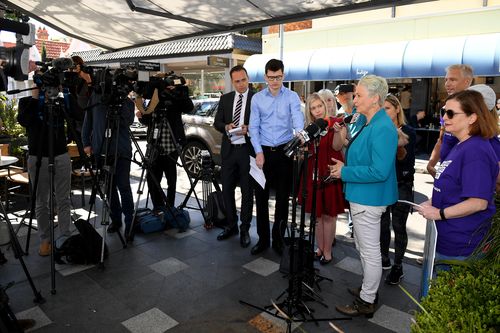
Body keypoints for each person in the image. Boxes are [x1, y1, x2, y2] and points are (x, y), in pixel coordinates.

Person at [329, 75, 397, 317]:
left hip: (369, 199)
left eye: (358, 95)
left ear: (375, 98)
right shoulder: (368, 121)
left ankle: (367, 299)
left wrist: (344, 171)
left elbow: (379, 171)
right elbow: (356, 150)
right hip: (361, 196)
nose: (353, 99)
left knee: (369, 251)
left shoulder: (382, 128)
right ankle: (369, 289)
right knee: (364, 247)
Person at [417, 90, 498, 270]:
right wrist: (432, 202)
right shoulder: (461, 144)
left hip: (461, 246)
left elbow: (478, 202)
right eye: (443, 112)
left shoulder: (476, 150)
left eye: (451, 113)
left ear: (472, 118)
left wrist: (439, 213)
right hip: (447, 239)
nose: (445, 117)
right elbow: (454, 187)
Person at [248, 58, 304, 255]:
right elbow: (253, 127)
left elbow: (297, 120)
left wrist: (300, 135)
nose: (274, 81)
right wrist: (258, 152)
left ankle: (278, 239)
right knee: (261, 199)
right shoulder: (257, 99)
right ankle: (263, 239)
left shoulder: (292, 97)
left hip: (284, 152)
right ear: (265, 77)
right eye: (271, 78)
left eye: (278, 77)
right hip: (262, 152)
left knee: (282, 199)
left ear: (283, 75)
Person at [18, 88, 72, 256]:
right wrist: (35, 98)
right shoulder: (27, 101)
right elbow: (24, 120)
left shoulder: (61, 101)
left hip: (61, 154)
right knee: (42, 201)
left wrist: (65, 93)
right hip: (38, 155)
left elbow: (77, 115)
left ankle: (65, 238)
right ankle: (45, 239)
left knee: (64, 199)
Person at [82, 80, 135, 238]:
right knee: (109, 189)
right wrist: (86, 143)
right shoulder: (96, 97)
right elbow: (88, 121)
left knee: (123, 186)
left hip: (121, 150)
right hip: (101, 149)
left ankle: (130, 221)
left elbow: (127, 121)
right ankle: (116, 219)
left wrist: (120, 100)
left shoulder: (126, 102)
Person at [298, 93, 346, 264]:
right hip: (312, 173)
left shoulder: (336, 122)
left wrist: (339, 133)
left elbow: (337, 146)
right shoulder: (309, 128)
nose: (317, 110)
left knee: (329, 215)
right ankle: (319, 247)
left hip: (331, 172)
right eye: (313, 108)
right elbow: (305, 153)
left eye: (320, 106)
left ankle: (327, 251)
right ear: (309, 111)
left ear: (325, 106)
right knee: (316, 216)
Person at [137, 75, 193, 210]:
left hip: (171, 146)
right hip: (154, 146)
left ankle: (170, 208)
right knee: (152, 180)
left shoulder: (176, 98)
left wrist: (177, 92)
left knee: (171, 180)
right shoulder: (155, 98)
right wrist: (140, 116)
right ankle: (158, 207)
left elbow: (188, 107)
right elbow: (147, 120)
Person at [213, 65, 254, 248]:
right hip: (229, 152)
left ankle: (244, 228)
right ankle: (231, 225)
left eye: (243, 80)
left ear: (248, 78)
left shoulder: (256, 99)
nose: (241, 84)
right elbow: (217, 123)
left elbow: (263, 123)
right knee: (227, 189)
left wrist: (249, 129)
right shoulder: (226, 99)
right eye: (237, 81)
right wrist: (227, 126)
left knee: (247, 192)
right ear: (232, 81)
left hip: (247, 151)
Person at [380, 94, 416, 285]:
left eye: (387, 108)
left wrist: (396, 139)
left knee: (399, 227)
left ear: (396, 109)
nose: (384, 111)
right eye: (382, 108)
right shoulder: (379, 129)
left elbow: (405, 161)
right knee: (383, 224)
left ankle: (398, 266)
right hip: (383, 185)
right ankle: (384, 258)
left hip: (401, 185)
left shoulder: (408, 130)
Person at [427, 64, 473, 177]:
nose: (447, 84)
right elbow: (442, 139)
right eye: (446, 80)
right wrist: (431, 164)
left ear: (467, 81)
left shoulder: (476, 109)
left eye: (453, 79)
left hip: (464, 175)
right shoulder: (444, 109)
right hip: (445, 174)